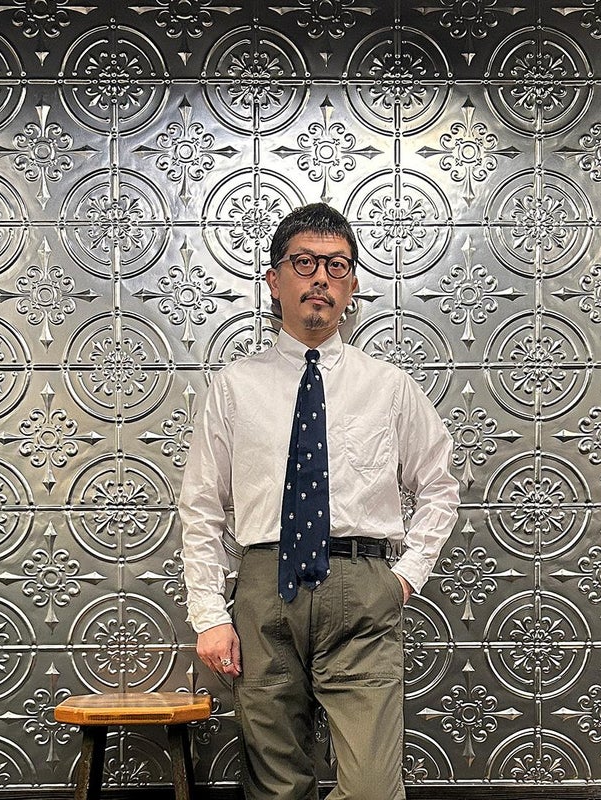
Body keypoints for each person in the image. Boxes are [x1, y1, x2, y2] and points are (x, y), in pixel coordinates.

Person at [180, 203, 460, 799]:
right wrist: (210, 615)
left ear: (352, 285)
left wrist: (405, 577)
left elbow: (439, 485)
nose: (321, 279)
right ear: (274, 280)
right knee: (277, 787)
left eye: (338, 266)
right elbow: (202, 506)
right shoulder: (234, 387)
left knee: (373, 790)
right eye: (304, 263)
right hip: (264, 591)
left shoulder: (388, 386)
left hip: (363, 592)